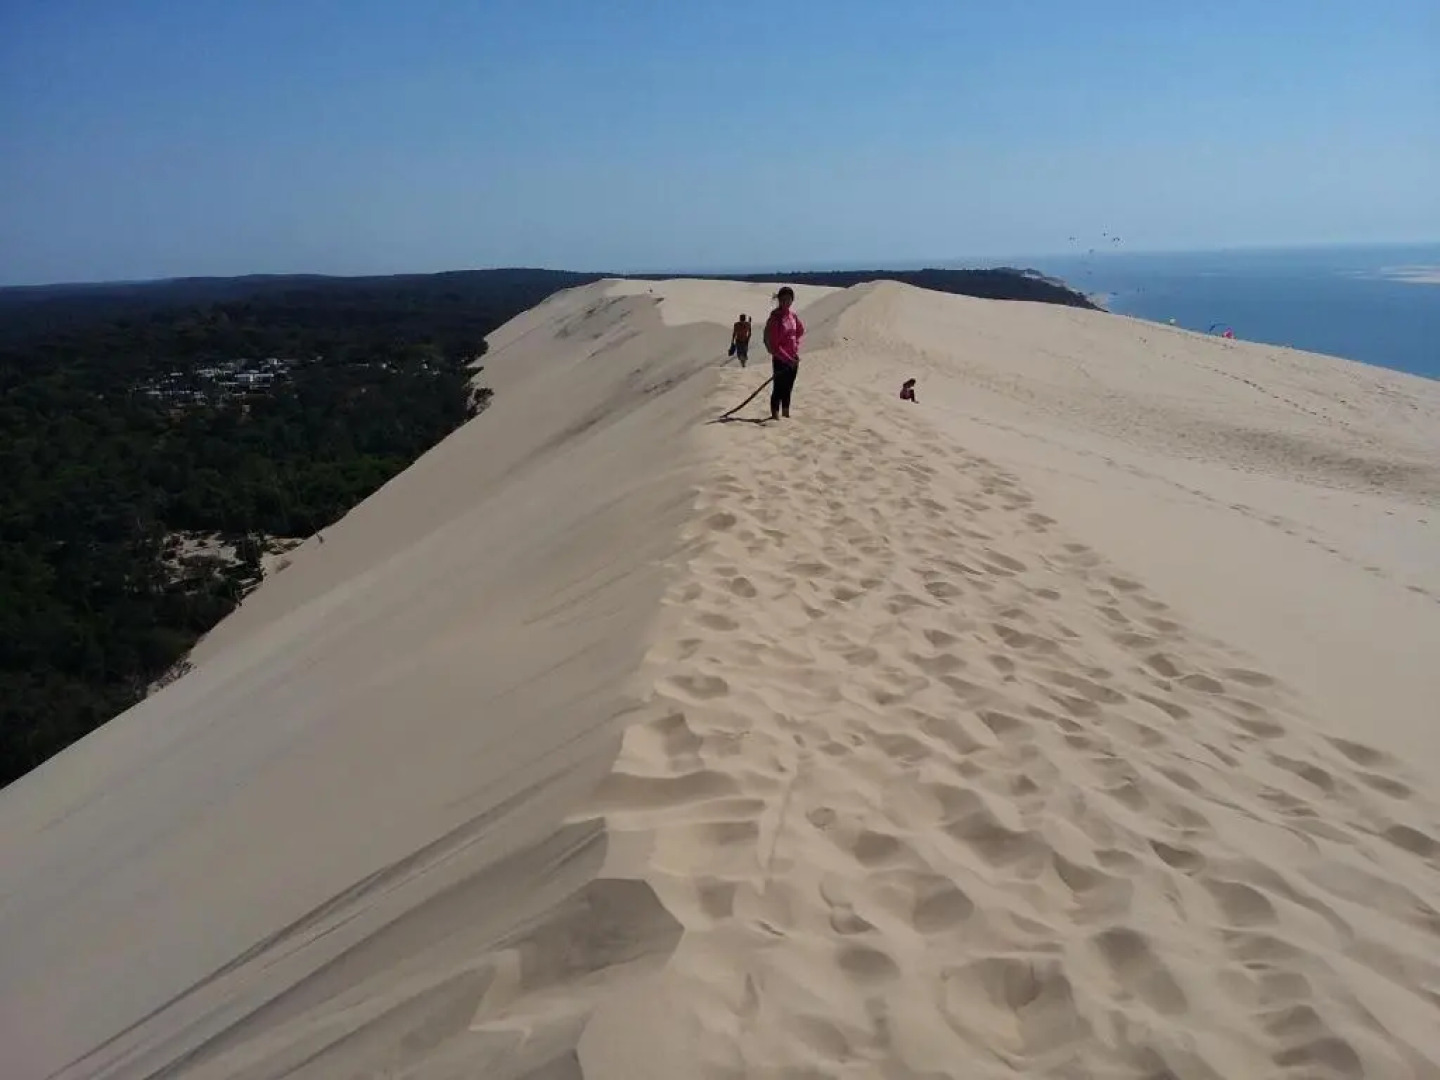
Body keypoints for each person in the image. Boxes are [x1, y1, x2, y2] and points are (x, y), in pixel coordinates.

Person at [763, 287, 805, 419]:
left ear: (792, 300)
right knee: (779, 389)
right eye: (783, 299)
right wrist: (787, 359)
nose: (786, 301)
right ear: (779, 300)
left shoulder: (793, 316)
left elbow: (799, 331)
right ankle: (774, 417)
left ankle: (786, 414)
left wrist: (796, 346)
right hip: (781, 359)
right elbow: (775, 345)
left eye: (789, 299)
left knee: (788, 388)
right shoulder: (776, 318)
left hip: (793, 359)